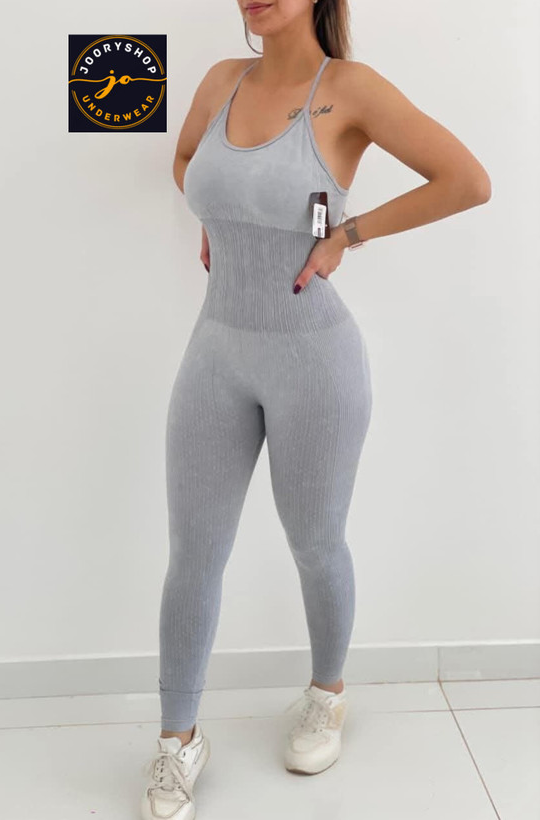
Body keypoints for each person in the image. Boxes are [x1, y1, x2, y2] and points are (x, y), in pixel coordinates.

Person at [141, 1, 491, 817]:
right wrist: (219, 214)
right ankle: (175, 739)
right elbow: (186, 158)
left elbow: (467, 181)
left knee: (314, 540)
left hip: (314, 361)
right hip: (215, 354)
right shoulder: (220, 80)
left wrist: (346, 234)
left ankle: (325, 693)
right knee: (192, 553)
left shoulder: (351, 90)